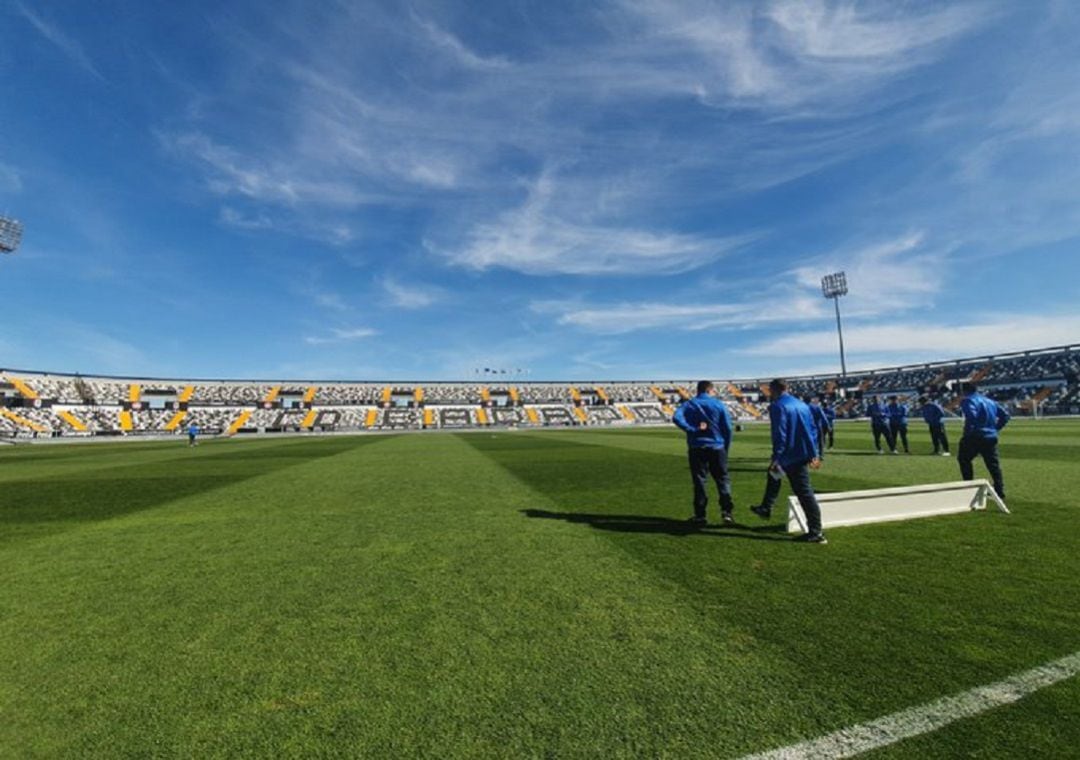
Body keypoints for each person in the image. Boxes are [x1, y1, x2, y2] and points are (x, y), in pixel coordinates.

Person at [750, 379, 827, 544]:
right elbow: (813, 429)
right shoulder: (802, 405)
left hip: (790, 454)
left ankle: (816, 531)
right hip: (802, 451)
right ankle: (766, 507)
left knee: (804, 492)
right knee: (773, 475)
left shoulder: (778, 406)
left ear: (773, 390)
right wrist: (814, 453)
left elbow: (780, 433)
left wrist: (776, 456)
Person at [672, 380, 736, 527]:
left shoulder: (690, 404)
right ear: (710, 390)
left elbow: (676, 417)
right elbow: (728, 428)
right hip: (717, 447)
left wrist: (691, 429)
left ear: (698, 390)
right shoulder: (718, 404)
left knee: (700, 481)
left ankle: (700, 515)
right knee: (722, 480)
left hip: (697, 447)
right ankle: (727, 512)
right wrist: (725, 447)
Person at [958, 382, 1010, 500]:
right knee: (993, 464)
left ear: (964, 390)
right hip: (990, 436)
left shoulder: (968, 401)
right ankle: (999, 490)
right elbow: (1005, 416)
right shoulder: (990, 401)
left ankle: (968, 486)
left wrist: (967, 434)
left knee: (964, 459)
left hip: (975, 436)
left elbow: (971, 417)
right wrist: (995, 429)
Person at [806, 396, 829, 461]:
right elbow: (823, 417)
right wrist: (827, 425)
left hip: (808, 426)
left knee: (809, 441)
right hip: (818, 426)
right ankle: (821, 455)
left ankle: (811, 455)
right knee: (820, 441)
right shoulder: (816, 407)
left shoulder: (804, 407)